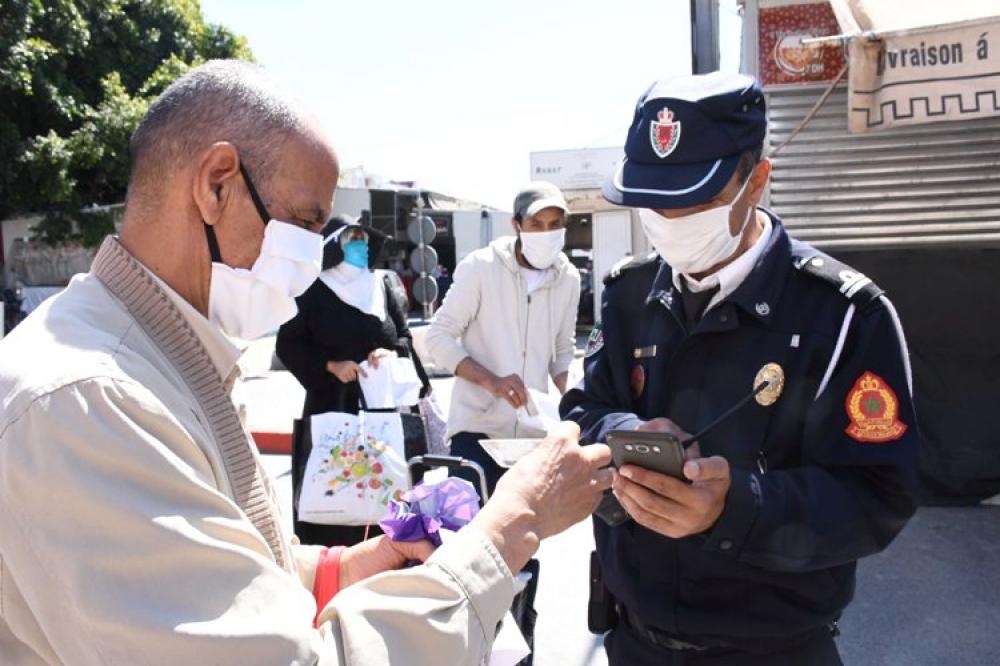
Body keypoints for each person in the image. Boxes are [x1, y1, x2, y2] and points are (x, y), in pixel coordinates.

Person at [0, 59, 614, 665]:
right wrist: (511, 525)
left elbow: (232, 573)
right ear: (216, 185)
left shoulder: (158, 360)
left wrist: (342, 569)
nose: (313, 256)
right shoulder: (89, 402)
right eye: (304, 222)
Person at [561, 72, 919, 665]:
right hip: (633, 641)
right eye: (653, 200)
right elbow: (582, 411)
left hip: (773, 651)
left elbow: (880, 494)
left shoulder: (844, 314)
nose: (670, 218)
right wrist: (628, 431)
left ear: (756, 181)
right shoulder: (627, 295)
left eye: (695, 199)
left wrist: (737, 507)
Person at [276, 216, 429, 548]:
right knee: (333, 497)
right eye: (353, 239)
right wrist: (330, 365)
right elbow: (288, 344)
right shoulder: (312, 290)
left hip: (382, 407)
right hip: (332, 404)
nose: (362, 246)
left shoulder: (382, 286)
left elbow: (403, 337)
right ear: (334, 247)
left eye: (364, 239)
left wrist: (390, 353)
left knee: (387, 496)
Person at [425, 182, 581, 494]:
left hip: (533, 438)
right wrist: (492, 382)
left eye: (555, 224)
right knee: (471, 522)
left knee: (528, 526)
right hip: (476, 432)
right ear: (516, 225)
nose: (546, 232)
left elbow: (563, 351)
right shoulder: (481, 267)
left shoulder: (569, 279)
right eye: (536, 224)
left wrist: (577, 398)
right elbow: (438, 338)